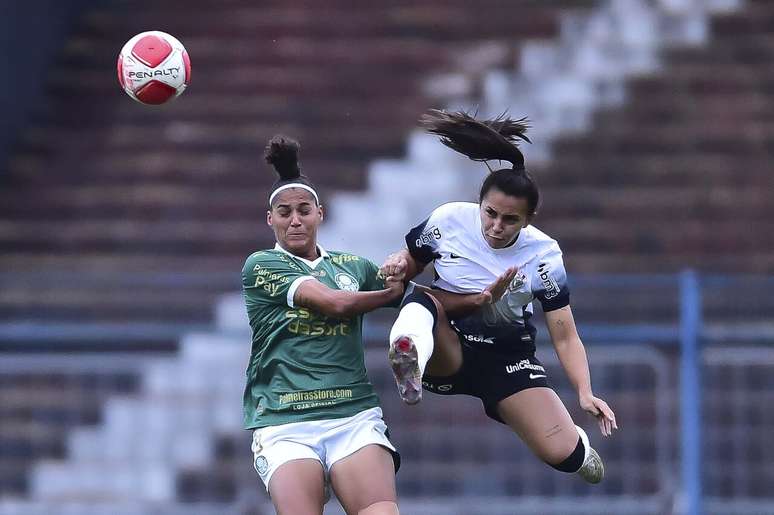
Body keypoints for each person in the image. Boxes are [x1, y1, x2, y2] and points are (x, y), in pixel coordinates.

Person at [380, 110, 617, 484]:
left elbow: (565, 335)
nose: (495, 227)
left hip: (507, 358)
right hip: (448, 346)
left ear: (529, 218)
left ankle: (577, 446)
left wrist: (585, 393)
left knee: (565, 457)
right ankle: (407, 351)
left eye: (510, 220)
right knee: (422, 299)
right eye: (490, 213)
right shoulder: (448, 220)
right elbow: (412, 262)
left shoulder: (544, 255)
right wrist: (398, 263)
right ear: (479, 204)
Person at [242, 135, 404, 515]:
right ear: (271, 219)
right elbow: (335, 303)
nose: (295, 220)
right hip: (285, 421)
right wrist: (387, 294)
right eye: (285, 212)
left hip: (352, 416)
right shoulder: (261, 264)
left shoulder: (353, 266)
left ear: (320, 213)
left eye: (303, 210)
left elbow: (414, 295)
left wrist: (475, 297)